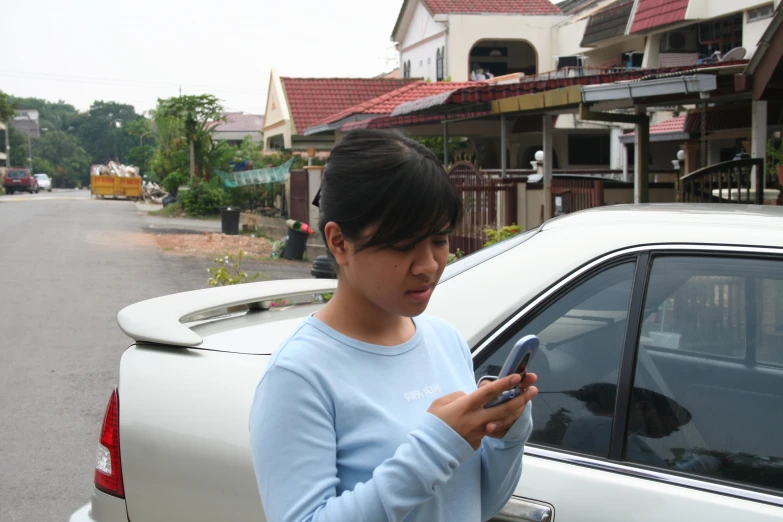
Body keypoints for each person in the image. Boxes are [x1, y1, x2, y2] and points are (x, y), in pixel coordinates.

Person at [249, 129, 538, 522]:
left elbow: (477, 504)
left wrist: (508, 435)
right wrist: (436, 448)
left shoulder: (445, 341)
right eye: (403, 245)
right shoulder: (299, 374)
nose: (429, 265)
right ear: (339, 243)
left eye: (439, 239)